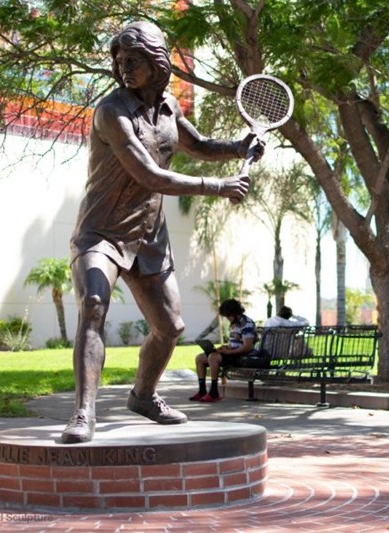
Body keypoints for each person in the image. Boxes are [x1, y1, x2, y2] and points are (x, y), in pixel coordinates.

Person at [61, 21, 264, 444]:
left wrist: (238, 148)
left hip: (149, 237)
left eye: (133, 60)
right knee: (94, 303)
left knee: (170, 328)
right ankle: (83, 414)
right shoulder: (111, 112)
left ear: (156, 64)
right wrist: (219, 186)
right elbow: (151, 176)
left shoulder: (170, 107)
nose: (123, 67)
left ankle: (144, 395)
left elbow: (202, 146)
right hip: (101, 233)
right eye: (119, 61)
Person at [190, 299, 259, 402]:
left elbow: (247, 347)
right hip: (232, 353)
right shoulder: (233, 324)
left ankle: (214, 392)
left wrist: (228, 352)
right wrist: (226, 348)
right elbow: (235, 343)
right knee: (200, 358)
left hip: (243, 357)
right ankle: (202, 391)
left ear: (235, 313)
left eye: (228, 315)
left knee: (213, 357)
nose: (227, 318)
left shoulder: (246, 324)